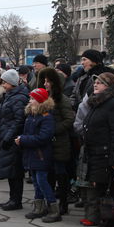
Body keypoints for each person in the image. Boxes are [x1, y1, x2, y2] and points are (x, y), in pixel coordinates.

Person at [75, 72, 114, 227]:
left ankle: (113, 223)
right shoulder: (97, 102)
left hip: (105, 153)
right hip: (94, 152)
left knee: (109, 189)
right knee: (98, 188)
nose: (95, 85)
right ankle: (104, 220)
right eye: (95, 82)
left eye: (100, 83)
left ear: (109, 86)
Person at [38, 67, 76, 216]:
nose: (45, 84)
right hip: (47, 142)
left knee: (61, 174)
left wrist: (53, 130)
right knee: (49, 175)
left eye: (48, 81)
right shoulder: (46, 98)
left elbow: (69, 119)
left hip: (60, 142)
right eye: (45, 81)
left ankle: (64, 203)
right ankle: (51, 203)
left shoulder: (62, 99)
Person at [18, 88, 59, 222]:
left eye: (32, 98)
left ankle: (53, 209)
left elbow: (43, 138)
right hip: (32, 154)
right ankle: (39, 207)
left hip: (41, 155)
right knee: (36, 182)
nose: (30, 101)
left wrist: (23, 140)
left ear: (40, 101)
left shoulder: (47, 117)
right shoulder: (32, 115)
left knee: (42, 181)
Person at [0, 69, 30, 211]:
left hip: (12, 140)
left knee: (15, 172)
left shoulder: (19, 98)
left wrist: (8, 137)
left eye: (5, 82)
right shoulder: (10, 96)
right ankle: (13, 199)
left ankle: (16, 200)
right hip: (6, 136)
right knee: (10, 171)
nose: (3, 84)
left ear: (11, 83)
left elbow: (18, 121)